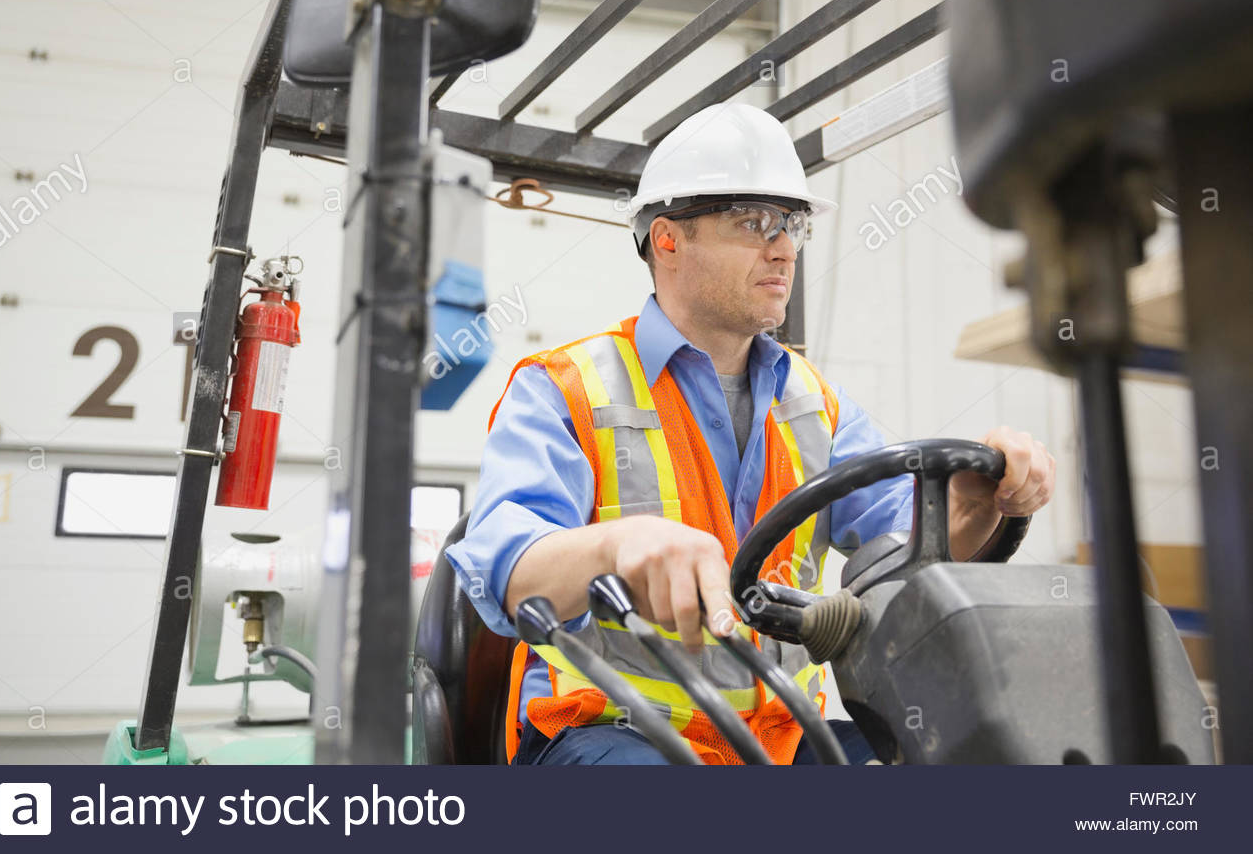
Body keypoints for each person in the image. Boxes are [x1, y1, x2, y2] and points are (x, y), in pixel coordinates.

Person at [445, 103, 1055, 765]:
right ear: (670, 239)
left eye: (792, 224)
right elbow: (508, 573)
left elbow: (905, 562)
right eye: (755, 220)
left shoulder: (816, 402)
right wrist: (618, 546)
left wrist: (970, 508)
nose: (785, 246)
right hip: (613, 733)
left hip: (781, 740)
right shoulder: (563, 387)